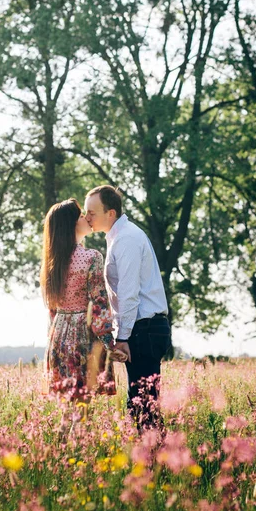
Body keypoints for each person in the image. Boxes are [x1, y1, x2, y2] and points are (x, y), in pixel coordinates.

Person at [85, 185, 171, 431]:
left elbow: (129, 293)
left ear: (110, 213)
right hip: (142, 328)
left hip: (144, 329)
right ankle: (156, 461)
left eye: (92, 212)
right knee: (141, 405)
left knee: (142, 406)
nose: (87, 217)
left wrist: (122, 337)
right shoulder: (117, 237)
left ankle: (158, 461)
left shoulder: (126, 239)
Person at [40, 198, 126, 405]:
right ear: (71, 224)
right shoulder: (91, 257)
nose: (87, 218)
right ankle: (76, 438)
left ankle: (61, 439)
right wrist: (109, 344)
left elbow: (52, 309)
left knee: (68, 408)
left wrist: (54, 336)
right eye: (80, 216)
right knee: (82, 407)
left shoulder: (52, 263)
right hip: (82, 336)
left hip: (58, 336)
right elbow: (98, 304)